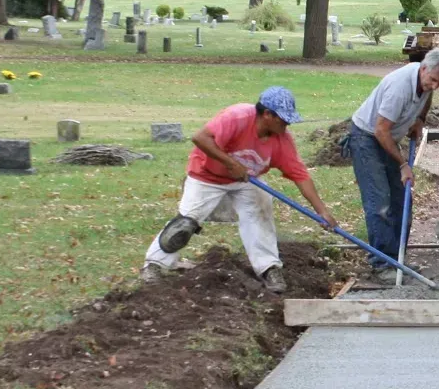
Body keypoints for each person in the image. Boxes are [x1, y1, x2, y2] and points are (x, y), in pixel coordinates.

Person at [142, 86, 335, 294]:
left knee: (260, 214)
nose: (287, 124)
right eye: (283, 119)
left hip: (247, 181)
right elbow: (200, 138)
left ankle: (269, 267)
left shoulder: (282, 140)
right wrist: (230, 163)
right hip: (207, 176)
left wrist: (321, 210)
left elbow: (300, 175)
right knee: (186, 222)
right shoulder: (237, 117)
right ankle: (154, 265)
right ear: (267, 114)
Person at [347, 48, 439, 278]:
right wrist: (402, 165)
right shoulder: (400, 87)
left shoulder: (426, 82)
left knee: (401, 200)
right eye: (433, 80)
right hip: (366, 139)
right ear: (423, 68)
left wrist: (419, 119)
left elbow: (428, 96)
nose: (435, 86)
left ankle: (396, 260)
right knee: (379, 202)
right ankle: (381, 264)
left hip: (386, 139)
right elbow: (380, 130)